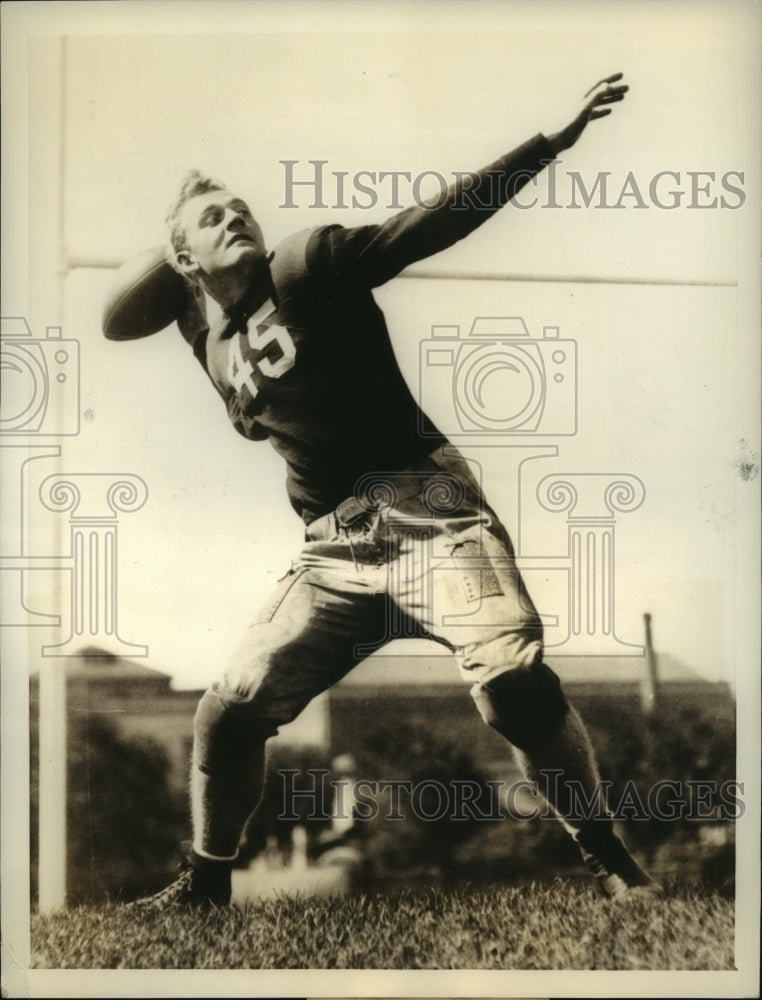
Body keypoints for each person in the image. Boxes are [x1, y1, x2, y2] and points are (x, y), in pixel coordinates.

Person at [121, 73, 659, 909]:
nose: (237, 218)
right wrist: (180, 268)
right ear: (185, 261)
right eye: (213, 217)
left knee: (512, 685)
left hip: (429, 513)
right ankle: (206, 884)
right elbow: (135, 322)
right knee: (226, 712)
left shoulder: (309, 263)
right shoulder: (212, 346)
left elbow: (431, 221)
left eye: (241, 208)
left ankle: (610, 859)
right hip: (334, 552)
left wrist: (546, 144)